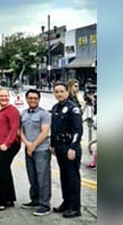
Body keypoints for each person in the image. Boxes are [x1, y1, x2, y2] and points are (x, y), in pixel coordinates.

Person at [50, 82, 83, 218]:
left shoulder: (73, 108)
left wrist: (73, 147)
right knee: (64, 176)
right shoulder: (55, 107)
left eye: (61, 91)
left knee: (72, 178)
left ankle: (75, 207)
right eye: (56, 91)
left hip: (70, 146)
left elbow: (78, 130)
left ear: (67, 92)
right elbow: (54, 128)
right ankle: (66, 202)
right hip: (59, 146)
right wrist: (52, 145)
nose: (59, 94)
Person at [19, 89, 52, 216]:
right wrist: (27, 144)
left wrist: (33, 145)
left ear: (38, 99)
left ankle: (45, 205)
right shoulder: (23, 113)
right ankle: (35, 200)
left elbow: (45, 132)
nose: (32, 100)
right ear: (26, 99)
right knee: (32, 176)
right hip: (28, 149)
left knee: (43, 178)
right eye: (30, 98)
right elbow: (20, 131)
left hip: (41, 150)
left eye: (35, 98)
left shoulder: (44, 114)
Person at [0, 88, 21, 212]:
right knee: (5, 170)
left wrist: (7, 144)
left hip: (8, 145)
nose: (3, 98)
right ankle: (9, 198)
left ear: (9, 97)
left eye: (6, 96)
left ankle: (0, 201)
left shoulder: (12, 110)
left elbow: (14, 129)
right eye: (1, 96)